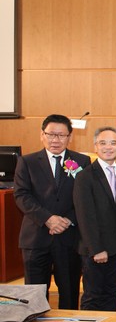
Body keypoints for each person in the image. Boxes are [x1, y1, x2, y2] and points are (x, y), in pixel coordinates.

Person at [14, 114, 91, 309]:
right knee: (34, 295)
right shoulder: (27, 162)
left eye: (61, 135)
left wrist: (67, 220)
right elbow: (22, 196)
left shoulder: (82, 161)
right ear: (42, 135)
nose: (55, 140)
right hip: (36, 237)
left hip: (69, 237)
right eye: (51, 134)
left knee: (70, 292)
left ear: (70, 137)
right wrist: (48, 219)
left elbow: (85, 198)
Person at [73, 127, 116, 311]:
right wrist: (96, 249)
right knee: (93, 295)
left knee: (113, 293)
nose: (108, 147)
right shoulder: (85, 176)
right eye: (103, 143)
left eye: (113, 143)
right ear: (95, 146)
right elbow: (84, 215)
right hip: (96, 250)